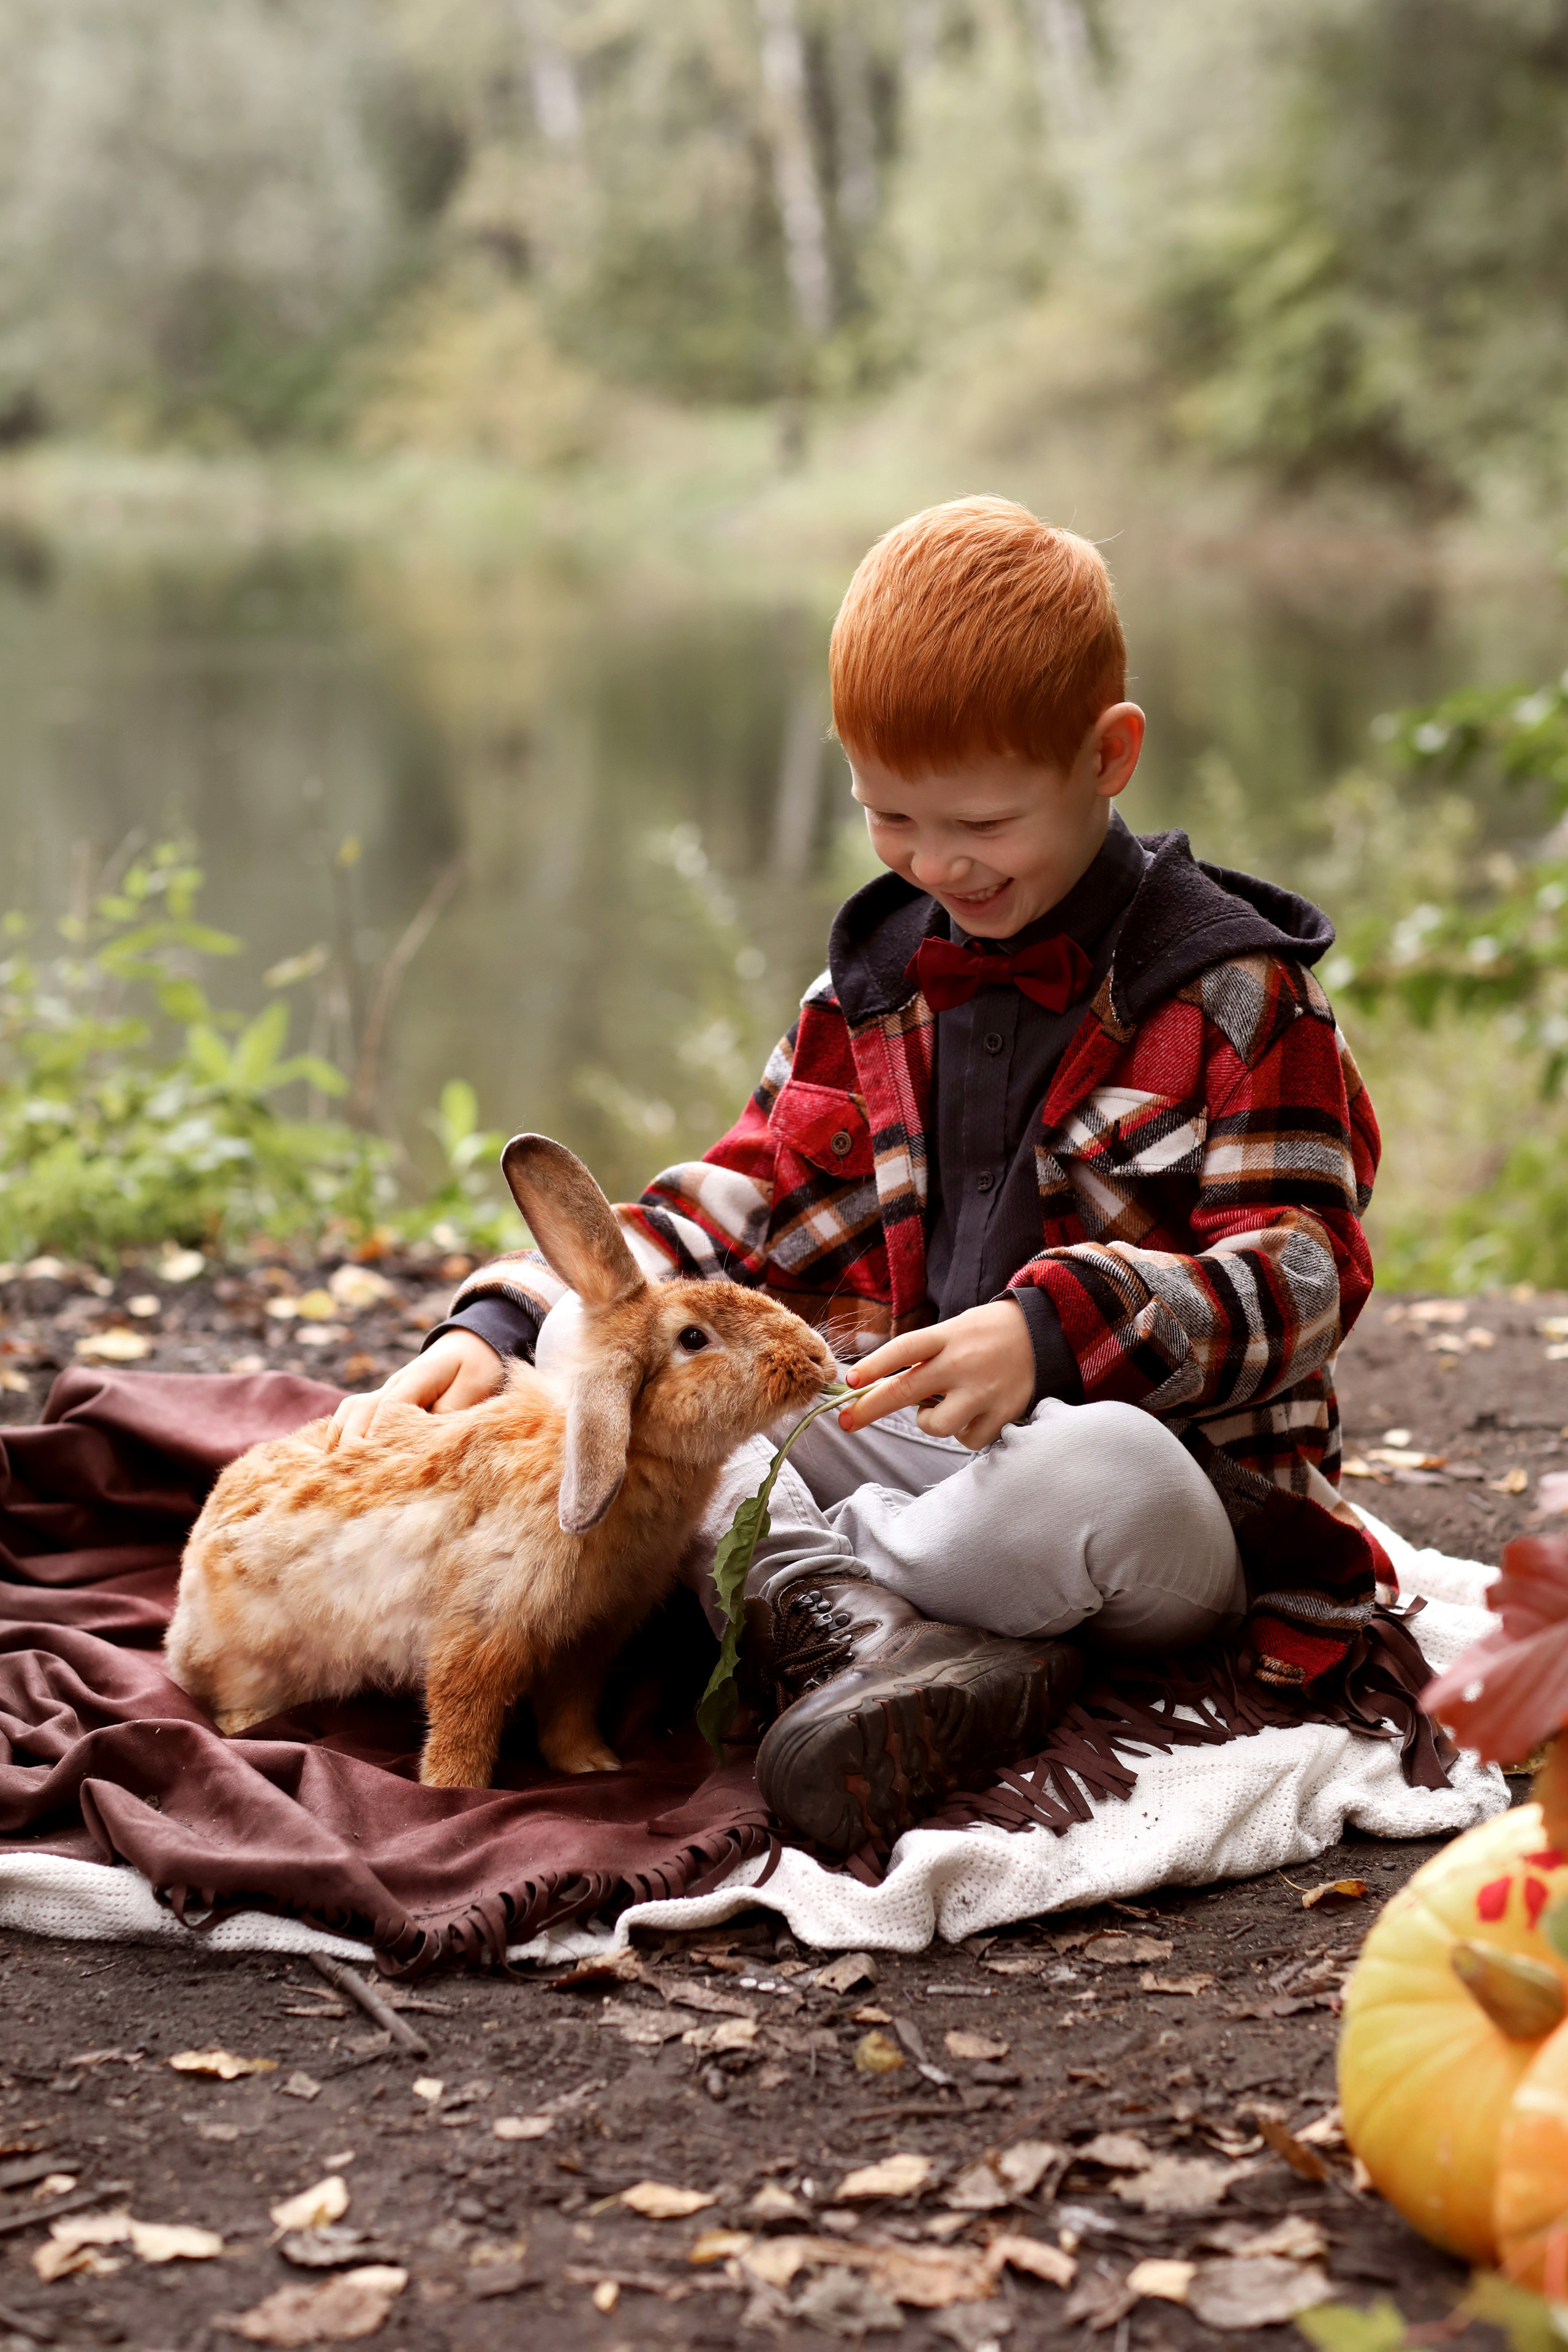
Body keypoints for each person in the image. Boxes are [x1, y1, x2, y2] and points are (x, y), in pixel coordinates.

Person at [333, 496, 1387, 1857]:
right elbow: (728, 1204)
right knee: (638, 1376)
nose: (938, 865)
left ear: (1106, 756)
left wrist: (1053, 1329)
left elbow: (1304, 1274)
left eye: (982, 824)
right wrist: (504, 1321)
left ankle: (823, 1600)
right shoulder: (866, 992)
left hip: (1152, 1491)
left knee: (1099, 1471)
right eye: (889, 817)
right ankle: (886, 1637)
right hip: (893, 1427)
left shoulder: (1237, 997)